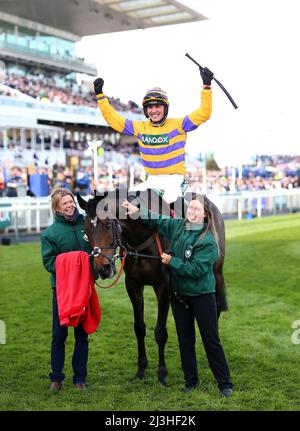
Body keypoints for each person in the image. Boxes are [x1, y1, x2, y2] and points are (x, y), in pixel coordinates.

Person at [122, 195, 233, 397]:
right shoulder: (178, 225)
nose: (191, 212)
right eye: (190, 208)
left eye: (196, 210)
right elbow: (157, 219)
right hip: (180, 296)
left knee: (211, 340)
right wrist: (137, 211)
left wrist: (172, 262)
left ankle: (225, 383)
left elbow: (197, 270)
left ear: (205, 214)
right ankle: (191, 381)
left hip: (202, 296)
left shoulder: (208, 241)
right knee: (185, 341)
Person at [93, 66, 214, 204]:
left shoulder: (179, 125)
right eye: (150, 107)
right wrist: (101, 97)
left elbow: (204, 113)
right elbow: (114, 120)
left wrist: (206, 86)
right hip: (152, 180)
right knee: (126, 204)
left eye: (158, 106)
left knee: (163, 206)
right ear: (145, 110)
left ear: (165, 108)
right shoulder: (140, 128)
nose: (154, 110)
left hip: (174, 180)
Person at [41, 188, 97, 392]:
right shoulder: (50, 234)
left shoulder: (86, 224)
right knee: (59, 334)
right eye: (65, 203)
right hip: (63, 290)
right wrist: (75, 263)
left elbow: (94, 251)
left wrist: (93, 267)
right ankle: (56, 378)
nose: (70, 205)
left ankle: (79, 378)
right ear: (57, 207)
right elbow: (48, 262)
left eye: (71, 201)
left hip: (85, 287)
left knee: (82, 334)